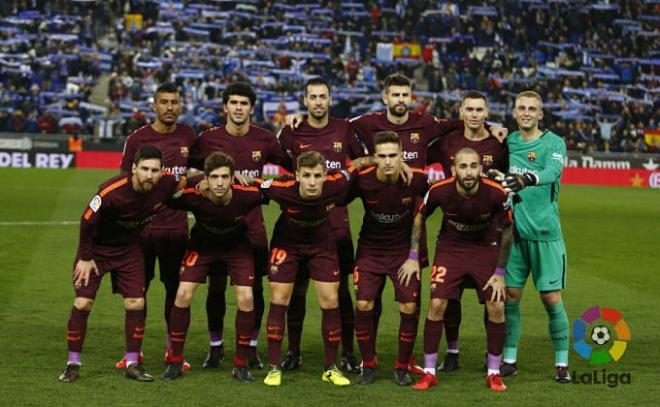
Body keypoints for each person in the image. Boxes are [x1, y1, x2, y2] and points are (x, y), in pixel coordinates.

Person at [59, 146, 185, 383]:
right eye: (144, 169)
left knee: (136, 302)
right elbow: (86, 222)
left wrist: (205, 182)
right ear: (134, 168)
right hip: (96, 251)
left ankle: (132, 363)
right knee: (83, 302)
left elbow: (186, 182)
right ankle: (73, 363)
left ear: (161, 172)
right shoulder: (111, 192)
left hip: (129, 250)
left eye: (154, 170)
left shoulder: (167, 183)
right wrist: (86, 258)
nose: (149, 175)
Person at [190, 82, 289, 369]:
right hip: (215, 228)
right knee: (216, 288)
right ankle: (216, 346)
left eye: (244, 104)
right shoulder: (207, 140)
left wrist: (260, 184)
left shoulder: (265, 140)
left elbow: (291, 168)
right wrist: (205, 181)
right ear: (225, 107)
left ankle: (252, 348)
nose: (238, 108)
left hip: (252, 228)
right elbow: (187, 170)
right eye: (233, 103)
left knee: (255, 289)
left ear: (251, 108)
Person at [403, 147, 513, 391]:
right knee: (437, 304)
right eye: (463, 166)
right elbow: (420, 217)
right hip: (451, 249)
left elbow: (508, 230)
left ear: (481, 168)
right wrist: (412, 255)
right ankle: (429, 371)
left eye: (474, 166)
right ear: (453, 169)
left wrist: (500, 274)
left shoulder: (496, 193)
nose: (469, 172)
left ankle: (494, 372)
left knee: (497, 305)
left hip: (485, 248)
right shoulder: (439, 190)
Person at [277, 77, 365, 373]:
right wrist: (283, 126)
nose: (317, 102)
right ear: (305, 101)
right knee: (296, 290)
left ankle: (349, 353)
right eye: (312, 97)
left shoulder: (344, 129)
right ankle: (293, 352)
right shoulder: (293, 130)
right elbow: (277, 161)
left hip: (336, 224)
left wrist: (340, 199)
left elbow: (360, 167)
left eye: (322, 96)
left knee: (340, 293)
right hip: (297, 225)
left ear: (330, 99)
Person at [426, 90, 509, 373]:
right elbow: (419, 157)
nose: (474, 115)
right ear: (461, 112)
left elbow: (506, 183)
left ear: (487, 112)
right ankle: (452, 350)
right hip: (453, 231)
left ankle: (492, 355)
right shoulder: (448, 142)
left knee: (492, 300)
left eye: (479, 110)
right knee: (449, 297)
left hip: (488, 234)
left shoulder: (499, 143)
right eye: (469, 109)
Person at [161, 152, 262, 382]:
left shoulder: (248, 194)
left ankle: (240, 364)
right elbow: (163, 192)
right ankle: (175, 362)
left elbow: (280, 189)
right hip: (203, 245)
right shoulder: (193, 194)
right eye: (214, 177)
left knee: (246, 297)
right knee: (183, 293)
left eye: (225, 177)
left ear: (232, 177)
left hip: (237, 246)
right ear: (206, 178)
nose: (219, 182)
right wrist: (193, 181)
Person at [117, 82, 196, 370]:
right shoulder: (138, 138)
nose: (169, 107)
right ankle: (132, 353)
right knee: (137, 291)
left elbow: (206, 166)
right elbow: (125, 182)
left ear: (180, 105)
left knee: (175, 291)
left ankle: (173, 351)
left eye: (174, 102)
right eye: (163, 102)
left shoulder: (189, 135)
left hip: (175, 231)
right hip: (141, 231)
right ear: (154, 106)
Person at [260, 151, 356, 387]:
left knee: (330, 300)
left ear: (325, 176)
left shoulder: (336, 184)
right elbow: (253, 185)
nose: (312, 182)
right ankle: (274, 368)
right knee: (279, 298)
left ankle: (330, 368)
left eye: (317, 176)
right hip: (287, 244)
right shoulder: (280, 188)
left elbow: (354, 169)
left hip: (322, 244)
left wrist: (369, 160)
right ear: (296, 176)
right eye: (306, 176)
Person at [344, 131, 429, 386]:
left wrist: (414, 256)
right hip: (370, 250)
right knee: (364, 306)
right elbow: (336, 192)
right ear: (374, 158)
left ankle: (402, 366)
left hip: (403, 252)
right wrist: (356, 164)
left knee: (409, 307)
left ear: (402, 155)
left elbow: (424, 212)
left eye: (394, 156)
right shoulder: (363, 179)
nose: (389, 161)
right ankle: (368, 365)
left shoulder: (417, 180)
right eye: (382, 156)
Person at [499, 91, 571, 383]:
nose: (527, 112)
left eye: (532, 108)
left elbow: (553, 171)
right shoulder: (509, 141)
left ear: (541, 114)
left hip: (546, 235)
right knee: (510, 297)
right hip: (514, 235)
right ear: (515, 112)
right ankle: (509, 359)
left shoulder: (554, 143)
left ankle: (562, 364)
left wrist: (528, 178)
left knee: (551, 298)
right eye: (522, 108)